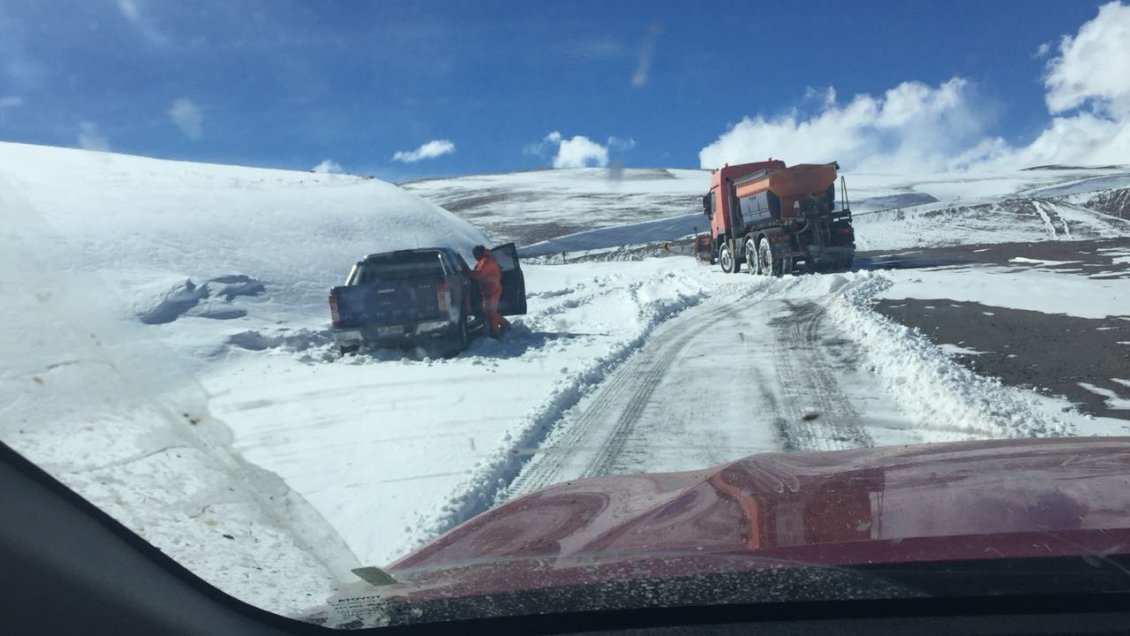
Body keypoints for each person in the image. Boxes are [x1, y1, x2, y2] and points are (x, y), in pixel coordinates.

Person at [468, 245, 510, 338]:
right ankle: (505, 324)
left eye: (475, 254)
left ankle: (495, 334)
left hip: (492, 290)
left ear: (479, 253)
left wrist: (467, 273)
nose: (475, 257)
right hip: (488, 290)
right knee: (488, 312)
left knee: (491, 312)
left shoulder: (486, 261)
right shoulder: (485, 260)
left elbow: (479, 274)